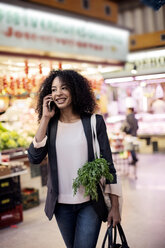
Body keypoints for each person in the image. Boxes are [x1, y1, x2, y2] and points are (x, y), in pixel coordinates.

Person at [28, 70, 121, 248]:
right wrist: (45, 119)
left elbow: (109, 167)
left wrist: (115, 207)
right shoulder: (51, 126)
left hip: (90, 203)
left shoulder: (94, 122)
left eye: (64, 88)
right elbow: (34, 157)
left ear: (75, 90)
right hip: (61, 206)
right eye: (54, 89)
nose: (58, 93)